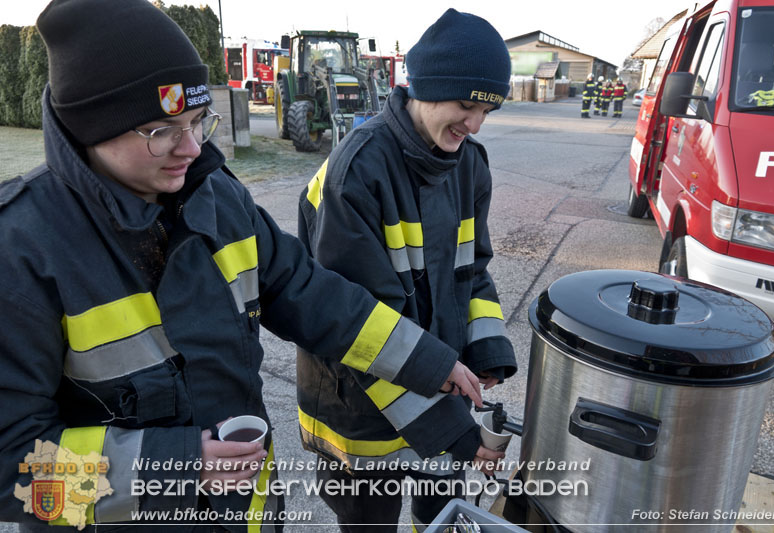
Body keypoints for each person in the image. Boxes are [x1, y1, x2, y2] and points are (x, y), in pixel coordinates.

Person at [0, 1, 484, 531]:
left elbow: (312, 295)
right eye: (161, 130)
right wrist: (180, 467)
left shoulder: (218, 198)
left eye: (197, 122)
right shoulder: (22, 249)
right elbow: (14, 469)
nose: (190, 148)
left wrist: (430, 363)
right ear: (89, 126)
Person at [296, 9, 517, 532]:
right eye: (466, 106)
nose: (476, 124)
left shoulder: (470, 164)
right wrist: (453, 425)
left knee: (438, 519)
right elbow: (359, 328)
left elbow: (472, 273)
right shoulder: (357, 172)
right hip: (361, 410)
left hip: (439, 385)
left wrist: (484, 351)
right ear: (426, 88)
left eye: (488, 110)